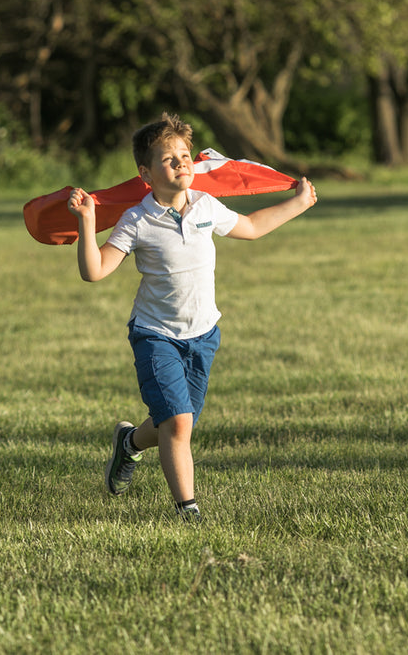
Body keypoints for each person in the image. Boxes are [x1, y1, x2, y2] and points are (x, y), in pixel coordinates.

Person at [67, 113, 317, 522]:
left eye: (185, 155)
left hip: (203, 335)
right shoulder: (137, 219)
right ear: (146, 173)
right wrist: (88, 222)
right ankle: (189, 511)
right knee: (178, 422)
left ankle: (129, 443)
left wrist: (299, 202)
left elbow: (252, 227)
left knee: (174, 422)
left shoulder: (205, 206)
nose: (182, 163)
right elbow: (94, 271)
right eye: (169, 159)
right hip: (156, 335)